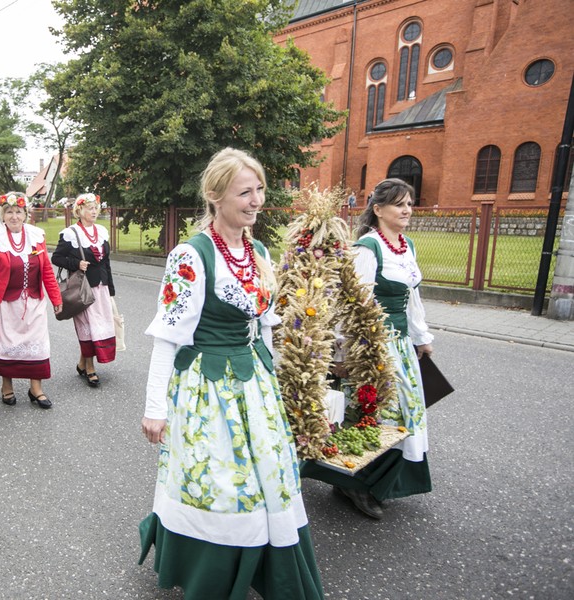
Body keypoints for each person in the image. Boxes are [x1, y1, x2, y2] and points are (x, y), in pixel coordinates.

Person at [139, 148, 323, 599]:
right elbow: (168, 337)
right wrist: (154, 408)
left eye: (259, 188)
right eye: (245, 191)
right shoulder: (191, 255)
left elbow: (264, 325)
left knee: (267, 473)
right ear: (215, 196)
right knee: (217, 479)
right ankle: (212, 570)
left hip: (254, 382)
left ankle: (264, 562)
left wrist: (275, 380)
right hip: (206, 386)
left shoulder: (258, 250)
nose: (257, 199)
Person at [301, 178, 433, 519]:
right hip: (371, 346)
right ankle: (354, 483)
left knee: (404, 414)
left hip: (400, 345)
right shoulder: (367, 249)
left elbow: (411, 299)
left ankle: (371, 481)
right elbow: (349, 305)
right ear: (378, 209)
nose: (407, 210)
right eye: (399, 204)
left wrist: (421, 337)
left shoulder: (407, 246)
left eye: (410, 203)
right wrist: (341, 354)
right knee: (376, 414)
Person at [0, 192, 62, 409]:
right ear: (3, 215)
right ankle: (6, 385)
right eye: (9, 212)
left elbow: (46, 271)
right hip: (6, 304)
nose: (14, 216)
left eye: (18, 212)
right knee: (7, 347)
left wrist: (56, 298)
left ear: (25, 214)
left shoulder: (37, 236)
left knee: (37, 346)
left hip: (34, 302)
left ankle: (36, 388)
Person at [51, 193, 116, 387]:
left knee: (99, 327)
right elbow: (56, 258)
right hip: (83, 288)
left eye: (96, 207)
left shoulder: (102, 231)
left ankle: (82, 363)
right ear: (79, 211)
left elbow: (106, 262)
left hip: (101, 287)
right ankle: (89, 368)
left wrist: (111, 289)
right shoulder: (71, 233)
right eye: (89, 208)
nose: (94, 211)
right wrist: (76, 263)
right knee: (88, 328)